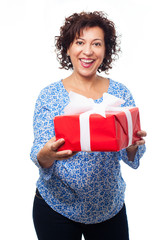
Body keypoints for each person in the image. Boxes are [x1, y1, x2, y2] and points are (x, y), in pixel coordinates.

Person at [31, 11, 147, 240]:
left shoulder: (120, 93)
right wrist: (48, 153)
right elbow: (40, 157)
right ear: (67, 48)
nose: (88, 51)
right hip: (56, 208)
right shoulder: (49, 96)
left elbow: (132, 156)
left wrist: (133, 144)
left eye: (96, 43)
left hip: (109, 209)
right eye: (80, 42)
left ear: (106, 50)